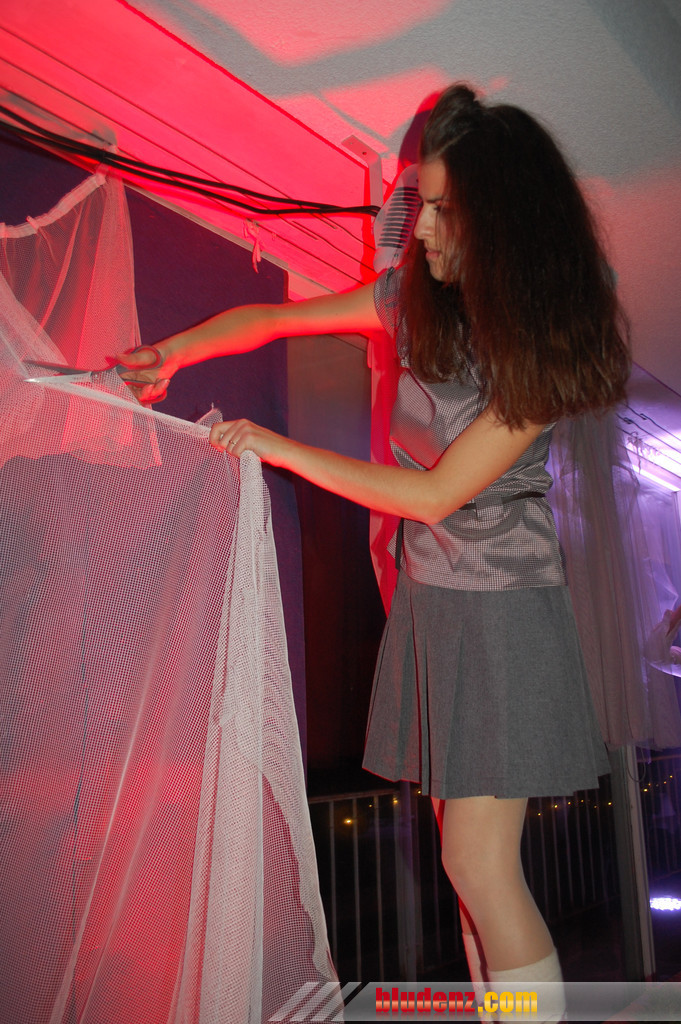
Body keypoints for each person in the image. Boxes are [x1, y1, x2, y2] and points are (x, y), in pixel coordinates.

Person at [121, 85, 630, 1019]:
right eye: (419, 202)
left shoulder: (543, 346)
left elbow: (434, 494)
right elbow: (272, 319)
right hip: (432, 599)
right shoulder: (412, 302)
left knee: (477, 862)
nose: (418, 227)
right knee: (467, 872)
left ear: (500, 218)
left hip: (504, 604)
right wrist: (173, 352)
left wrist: (275, 445)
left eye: (441, 209)